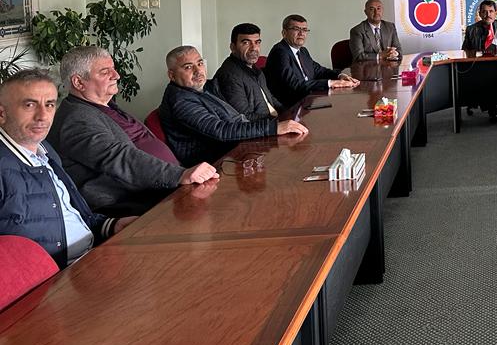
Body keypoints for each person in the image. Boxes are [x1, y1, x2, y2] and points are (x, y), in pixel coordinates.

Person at [50, 46, 219, 216]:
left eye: (113, 69)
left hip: (164, 186)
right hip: (131, 204)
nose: (116, 75)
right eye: (105, 72)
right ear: (79, 82)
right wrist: (179, 175)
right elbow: (118, 157)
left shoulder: (105, 106)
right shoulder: (75, 119)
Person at [0, 68, 135, 268]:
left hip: (93, 256)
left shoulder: (45, 151)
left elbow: (70, 215)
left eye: (49, 104)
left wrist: (111, 225)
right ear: (2, 114)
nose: (43, 116)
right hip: (56, 277)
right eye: (29, 105)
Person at [160, 46, 308, 167]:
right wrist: (273, 128)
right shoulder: (179, 100)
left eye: (200, 63)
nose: (198, 71)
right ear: (171, 75)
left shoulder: (204, 87)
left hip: (239, 149)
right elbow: (220, 130)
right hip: (217, 165)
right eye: (188, 67)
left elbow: (234, 119)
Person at [264, 15, 360, 107]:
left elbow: (319, 70)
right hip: (291, 105)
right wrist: (330, 83)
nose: (301, 33)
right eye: (296, 29)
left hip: (308, 98)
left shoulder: (303, 51)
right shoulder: (279, 52)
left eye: (304, 30)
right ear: (284, 33)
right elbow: (294, 85)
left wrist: (339, 75)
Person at [209, 23, 283, 121]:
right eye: (246, 43)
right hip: (263, 127)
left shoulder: (255, 69)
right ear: (233, 47)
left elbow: (269, 97)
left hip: (274, 121)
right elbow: (244, 117)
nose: (254, 48)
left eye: (257, 42)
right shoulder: (230, 76)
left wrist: (288, 111)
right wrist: (276, 122)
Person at [462, 0, 497, 121]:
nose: (488, 14)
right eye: (484, 11)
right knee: (485, 78)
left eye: (491, 11)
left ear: (496, 13)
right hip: (479, 66)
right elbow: (465, 50)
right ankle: (492, 111)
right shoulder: (471, 29)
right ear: (480, 13)